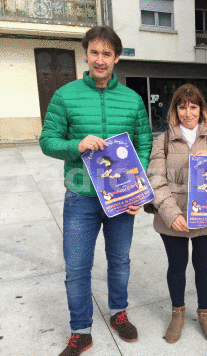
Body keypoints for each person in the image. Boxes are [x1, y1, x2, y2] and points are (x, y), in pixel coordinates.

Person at [39, 26, 153, 356]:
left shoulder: (132, 99)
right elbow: (48, 141)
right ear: (85, 54)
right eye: (94, 52)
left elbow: (144, 143)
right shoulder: (65, 95)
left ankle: (119, 314)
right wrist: (77, 144)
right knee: (76, 267)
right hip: (81, 197)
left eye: (107, 54)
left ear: (116, 58)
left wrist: (138, 187)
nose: (100, 60)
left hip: (121, 198)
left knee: (119, 262)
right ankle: (81, 331)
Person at [147, 84, 207, 344]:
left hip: (206, 216)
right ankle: (177, 313)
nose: (188, 112)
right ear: (175, 109)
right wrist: (171, 214)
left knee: (203, 265)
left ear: (202, 109)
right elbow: (156, 180)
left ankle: (204, 313)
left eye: (193, 106)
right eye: (182, 106)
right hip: (173, 217)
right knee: (177, 266)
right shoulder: (164, 140)